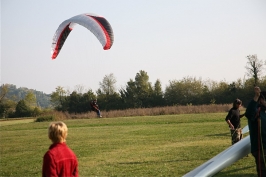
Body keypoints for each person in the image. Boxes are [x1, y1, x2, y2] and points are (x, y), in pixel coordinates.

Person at [245, 87, 266, 176]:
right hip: (261, 149)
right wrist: (256, 97)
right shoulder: (256, 111)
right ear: (261, 100)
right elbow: (249, 113)